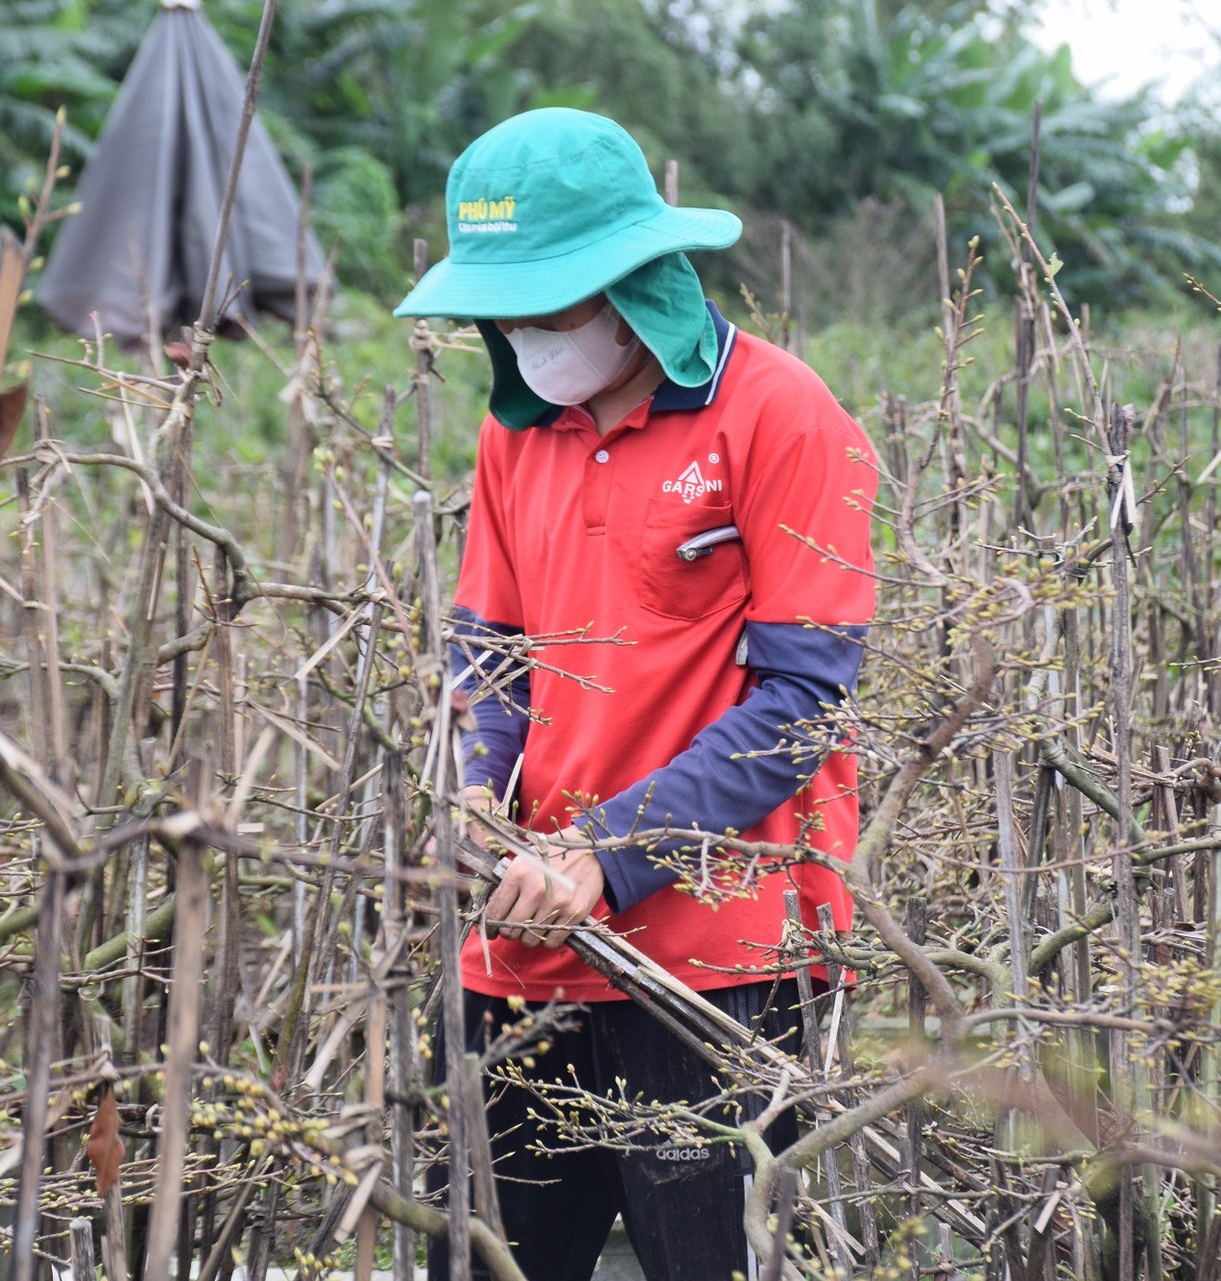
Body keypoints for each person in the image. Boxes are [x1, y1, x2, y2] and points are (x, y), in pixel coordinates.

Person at [394, 107, 877, 1281]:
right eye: (504, 312)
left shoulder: (781, 415)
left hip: (721, 958)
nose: (525, 336)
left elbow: (803, 702)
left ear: (632, 283)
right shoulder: (516, 434)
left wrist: (611, 855)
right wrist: (475, 793)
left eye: (547, 307)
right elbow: (490, 651)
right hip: (522, 945)